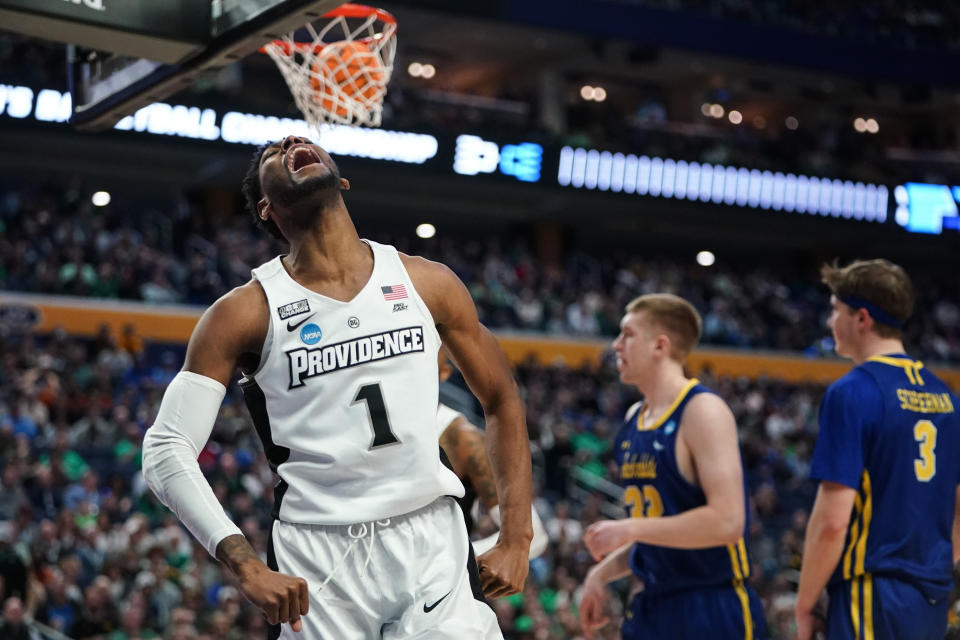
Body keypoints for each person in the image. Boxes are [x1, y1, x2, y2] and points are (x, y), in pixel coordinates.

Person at [142, 135, 533, 639]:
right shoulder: (242, 312)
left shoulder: (428, 282)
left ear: (340, 179)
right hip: (317, 552)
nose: (290, 142)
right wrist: (244, 564)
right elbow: (165, 448)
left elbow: (501, 398)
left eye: (301, 141)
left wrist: (517, 536)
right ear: (267, 207)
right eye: (270, 156)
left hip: (430, 533)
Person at [579, 293, 766, 639]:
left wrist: (631, 528)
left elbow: (727, 522)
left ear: (660, 346)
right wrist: (599, 575)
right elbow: (661, 535)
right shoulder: (634, 418)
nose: (616, 345)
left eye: (628, 334)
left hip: (710, 605)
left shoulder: (702, 411)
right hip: (652, 603)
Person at [796, 259, 960, 640]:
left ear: (862, 319)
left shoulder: (852, 392)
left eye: (835, 310)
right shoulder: (948, 399)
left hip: (871, 593)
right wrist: (926, 566)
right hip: (931, 598)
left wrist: (805, 604)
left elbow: (833, 522)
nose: (829, 321)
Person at [436, 350, 548, 559]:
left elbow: (533, 536)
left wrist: (454, 565)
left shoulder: (461, 438)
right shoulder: (365, 427)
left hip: (434, 587)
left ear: (443, 372)